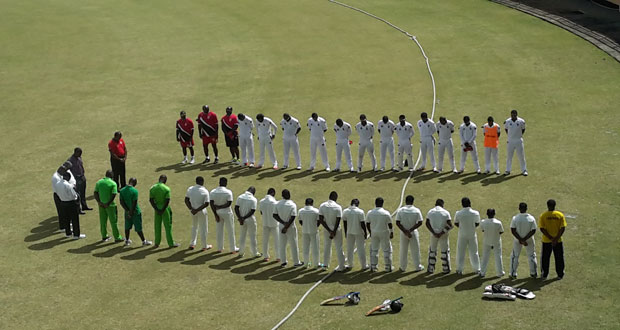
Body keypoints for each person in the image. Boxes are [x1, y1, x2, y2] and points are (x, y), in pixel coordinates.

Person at [273, 189, 303, 267]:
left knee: (282, 244)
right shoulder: (292, 205)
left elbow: (274, 215)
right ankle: (296, 262)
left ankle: (283, 262)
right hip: (290, 226)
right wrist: (287, 226)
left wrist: (283, 223)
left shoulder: (278, 204)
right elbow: (293, 217)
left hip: (281, 226)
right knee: (293, 244)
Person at [119, 178, 152, 246]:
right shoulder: (135, 191)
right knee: (138, 227)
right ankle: (143, 241)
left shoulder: (122, 190)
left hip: (127, 212)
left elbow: (121, 202)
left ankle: (127, 240)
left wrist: (127, 211)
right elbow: (134, 203)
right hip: (135, 212)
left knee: (127, 226)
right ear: (134, 183)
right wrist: (131, 212)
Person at [395, 195, 424, 272]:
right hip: (413, 233)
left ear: (405, 201)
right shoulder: (416, 210)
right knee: (415, 250)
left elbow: (397, 222)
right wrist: (410, 230)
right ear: (413, 201)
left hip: (403, 233)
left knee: (403, 250)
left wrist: (405, 231)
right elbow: (420, 222)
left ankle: (402, 267)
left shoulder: (401, 210)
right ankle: (417, 267)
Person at [539, 199, 566, 280]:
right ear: (555, 205)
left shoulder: (543, 215)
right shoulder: (560, 215)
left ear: (547, 205)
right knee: (559, 257)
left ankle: (544, 274)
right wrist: (556, 238)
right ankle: (560, 274)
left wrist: (550, 238)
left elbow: (542, 228)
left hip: (546, 240)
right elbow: (562, 228)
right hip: (558, 241)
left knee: (545, 258)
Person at [509, 202, 538, 279]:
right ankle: (533, 273)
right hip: (529, 239)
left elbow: (513, 230)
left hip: (517, 240)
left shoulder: (515, 218)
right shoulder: (531, 218)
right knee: (531, 255)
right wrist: (524, 239)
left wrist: (520, 239)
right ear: (526, 209)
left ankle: (513, 273)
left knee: (515, 256)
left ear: (519, 208)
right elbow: (533, 230)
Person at [149, 175, 179, 248]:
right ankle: (171, 243)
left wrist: (156, 209)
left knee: (157, 226)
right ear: (165, 181)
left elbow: (151, 200)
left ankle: (157, 243)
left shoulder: (153, 188)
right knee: (168, 226)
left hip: (157, 208)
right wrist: (162, 210)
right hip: (164, 209)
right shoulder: (166, 189)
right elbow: (167, 200)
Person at [319, 191, 346, 271]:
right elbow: (338, 220)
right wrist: (333, 231)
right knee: (339, 248)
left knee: (327, 247)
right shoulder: (338, 207)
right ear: (335, 198)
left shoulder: (322, 206)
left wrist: (329, 230)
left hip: (327, 229)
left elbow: (321, 220)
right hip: (336, 229)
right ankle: (341, 266)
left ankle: (325, 265)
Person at [210, 177, 238, 253]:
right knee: (230, 230)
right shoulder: (228, 192)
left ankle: (219, 248)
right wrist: (221, 206)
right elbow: (229, 203)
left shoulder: (213, 192)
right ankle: (233, 248)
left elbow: (211, 203)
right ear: (226, 183)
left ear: (219, 182)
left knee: (219, 230)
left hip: (218, 212)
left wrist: (215, 214)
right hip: (227, 213)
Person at [94, 170, 123, 242]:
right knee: (113, 222)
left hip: (101, 205)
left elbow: (95, 192)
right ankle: (117, 237)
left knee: (103, 221)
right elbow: (114, 194)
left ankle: (104, 236)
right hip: (111, 206)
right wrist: (108, 203)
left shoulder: (99, 182)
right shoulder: (113, 183)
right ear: (112, 176)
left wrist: (99, 202)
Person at [454, 197, 481, 275]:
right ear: (470, 203)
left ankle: (459, 269)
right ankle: (477, 269)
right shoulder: (475, 213)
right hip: (472, 234)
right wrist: (471, 227)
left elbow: (456, 223)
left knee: (460, 252)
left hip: (462, 234)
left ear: (462, 204)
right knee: (474, 252)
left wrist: (462, 227)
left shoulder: (458, 213)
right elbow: (477, 223)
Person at [425, 199, 453, 274]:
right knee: (444, 251)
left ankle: (431, 268)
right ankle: (446, 268)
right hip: (443, 234)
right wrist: (441, 232)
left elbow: (427, 223)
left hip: (433, 234)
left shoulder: (430, 212)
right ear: (442, 204)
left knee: (432, 251)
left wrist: (433, 232)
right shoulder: (446, 212)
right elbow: (450, 225)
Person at [366, 197, 393, 272]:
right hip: (384, 232)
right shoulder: (386, 213)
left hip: (374, 232)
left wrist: (370, 232)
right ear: (382, 203)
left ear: (375, 203)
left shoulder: (370, 212)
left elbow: (367, 223)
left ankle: (373, 267)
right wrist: (391, 232)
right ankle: (388, 267)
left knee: (374, 250)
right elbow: (390, 224)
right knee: (386, 250)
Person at [184, 176, 211, 251]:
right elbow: (206, 203)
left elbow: (186, 200)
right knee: (204, 228)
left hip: (192, 211)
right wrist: (197, 210)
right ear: (202, 182)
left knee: (194, 227)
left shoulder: (190, 189)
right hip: (201, 211)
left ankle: (192, 244)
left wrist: (191, 209)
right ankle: (204, 245)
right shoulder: (205, 191)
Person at [57, 171, 85, 239]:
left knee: (66, 219)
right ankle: (76, 235)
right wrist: (76, 197)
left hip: (63, 202)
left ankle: (68, 233)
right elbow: (73, 195)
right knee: (75, 219)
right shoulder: (68, 185)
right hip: (71, 203)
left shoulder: (58, 183)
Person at [235, 186, 261, 257]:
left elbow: (236, 208)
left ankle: (241, 252)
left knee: (242, 236)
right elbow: (252, 211)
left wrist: (240, 218)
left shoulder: (240, 197)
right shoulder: (253, 199)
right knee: (252, 236)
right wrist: (243, 218)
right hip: (250, 219)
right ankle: (255, 253)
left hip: (241, 219)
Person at [342, 199, 368, 270]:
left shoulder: (345, 211)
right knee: (361, 249)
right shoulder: (360, 212)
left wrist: (346, 232)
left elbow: (345, 223)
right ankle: (364, 265)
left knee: (349, 249)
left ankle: (350, 264)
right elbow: (362, 224)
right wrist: (365, 233)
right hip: (359, 232)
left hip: (349, 232)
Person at [479, 208, 504, 278]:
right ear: (494, 214)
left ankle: (482, 272)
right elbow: (501, 231)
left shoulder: (483, 222)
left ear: (487, 214)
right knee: (498, 256)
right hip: (496, 241)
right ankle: (500, 272)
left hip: (487, 241)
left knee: (485, 257)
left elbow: (483, 230)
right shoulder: (498, 223)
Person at [52, 161, 76, 232]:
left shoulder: (60, 174)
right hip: (59, 194)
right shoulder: (56, 177)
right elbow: (59, 188)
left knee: (65, 212)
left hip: (62, 193)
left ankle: (66, 224)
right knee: (61, 212)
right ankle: (62, 227)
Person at [68, 147, 91, 213]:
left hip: (82, 177)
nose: (80, 155)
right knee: (77, 194)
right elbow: (69, 171)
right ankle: (78, 209)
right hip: (76, 179)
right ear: (75, 152)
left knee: (83, 193)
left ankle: (84, 206)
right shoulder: (70, 160)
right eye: (79, 153)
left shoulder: (79, 158)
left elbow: (81, 166)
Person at [504, 109, 528, 176]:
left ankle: (524, 170)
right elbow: (506, 129)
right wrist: (510, 136)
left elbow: (523, 129)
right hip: (510, 141)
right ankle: (507, 170)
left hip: (518, 141)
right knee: (509, 156)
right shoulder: (507, 121)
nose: (513, 116)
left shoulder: (521, 121)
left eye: (514, 115)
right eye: (512, 115)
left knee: (521, 156)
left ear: (516, 115)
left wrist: (518, 136)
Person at [259, 188, 280, 261]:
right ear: (273, 193)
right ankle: (278, 256)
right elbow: (277, 213)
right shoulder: (275, 203)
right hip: (274, 224)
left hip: (265, 222)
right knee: (277, 240)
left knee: (265, 240)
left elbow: (261, 212)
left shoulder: (261, 201)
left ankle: (265, 256)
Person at [298, 198, 320, 267]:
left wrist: (304, 226)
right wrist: (315, 226)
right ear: (312, 203)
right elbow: (319, 221)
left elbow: (300, 221)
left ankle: (306, 263)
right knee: (315, 248)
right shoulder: (316, 211)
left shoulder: (301, 211)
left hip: (305, 231)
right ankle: (316, 264)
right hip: (314, 231)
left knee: (305, 248)